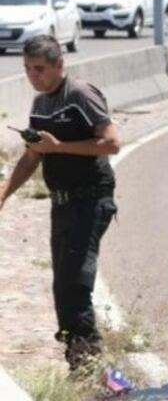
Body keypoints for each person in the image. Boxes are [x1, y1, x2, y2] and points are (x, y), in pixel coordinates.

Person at [0, 35, 121, 370]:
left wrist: (59, 147)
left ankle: (92, 368)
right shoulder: (40, 105)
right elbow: (32, 157)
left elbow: (111, 143)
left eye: (39, 68)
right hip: (62, 203)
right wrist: (5, 192)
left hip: (92, 198)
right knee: (61, 286)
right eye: (27, 69)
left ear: (59, 65)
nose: (33, 76)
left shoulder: (80, 94)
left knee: (76, 284)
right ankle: (79, 362)